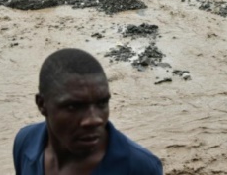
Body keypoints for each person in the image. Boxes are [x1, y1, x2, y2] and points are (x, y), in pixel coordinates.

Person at [13, 48, 163, 175]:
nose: (94, 120)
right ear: (42, 104)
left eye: (102, 103)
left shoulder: (139, 167)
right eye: (73, 106)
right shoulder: (26, 142)